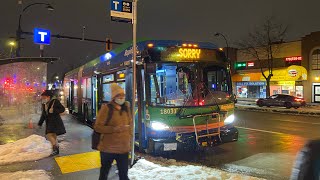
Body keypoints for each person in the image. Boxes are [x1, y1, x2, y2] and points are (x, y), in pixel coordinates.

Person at [94, 83, 132, 180]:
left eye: (123, 95)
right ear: (114, 97)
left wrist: (129, 139)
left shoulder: (126, 107)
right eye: (119, 96)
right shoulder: (106, 109)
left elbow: (130, 125)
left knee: (124, 175)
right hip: (108, 149)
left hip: (123, 149)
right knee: (104, 174)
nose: (122, 98)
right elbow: (97, 127)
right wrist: (114, 129)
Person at [38, 90, 66, 156]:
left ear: (48, 97)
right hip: (49, 122)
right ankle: (56, 148)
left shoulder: (55, 102)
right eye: (42, 98)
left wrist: (54, 110)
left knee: (49, 135)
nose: (43, 99)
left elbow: (62, 109)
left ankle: (55, 149)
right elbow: (43, 114)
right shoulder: (44, 104)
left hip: (55, 121)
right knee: (53, 135)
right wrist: (40, 123)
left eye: (44, 97)